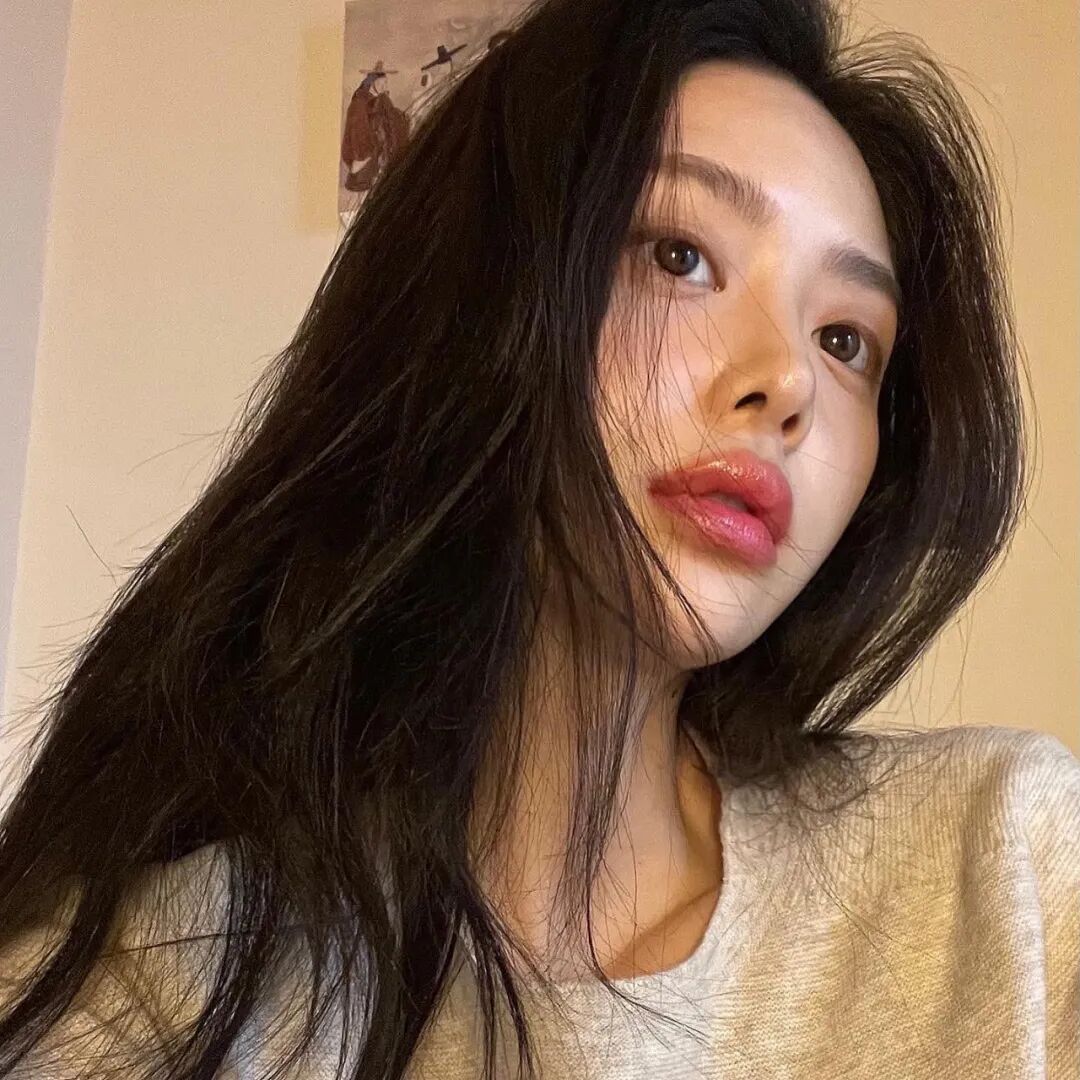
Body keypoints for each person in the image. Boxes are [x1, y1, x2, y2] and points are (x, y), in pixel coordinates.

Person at [0, 0, 1075, 1076]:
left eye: (846, 340)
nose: (790, 380)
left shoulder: (1006, 873)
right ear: (479, 300)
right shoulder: (164, 986)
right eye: (680, 255)